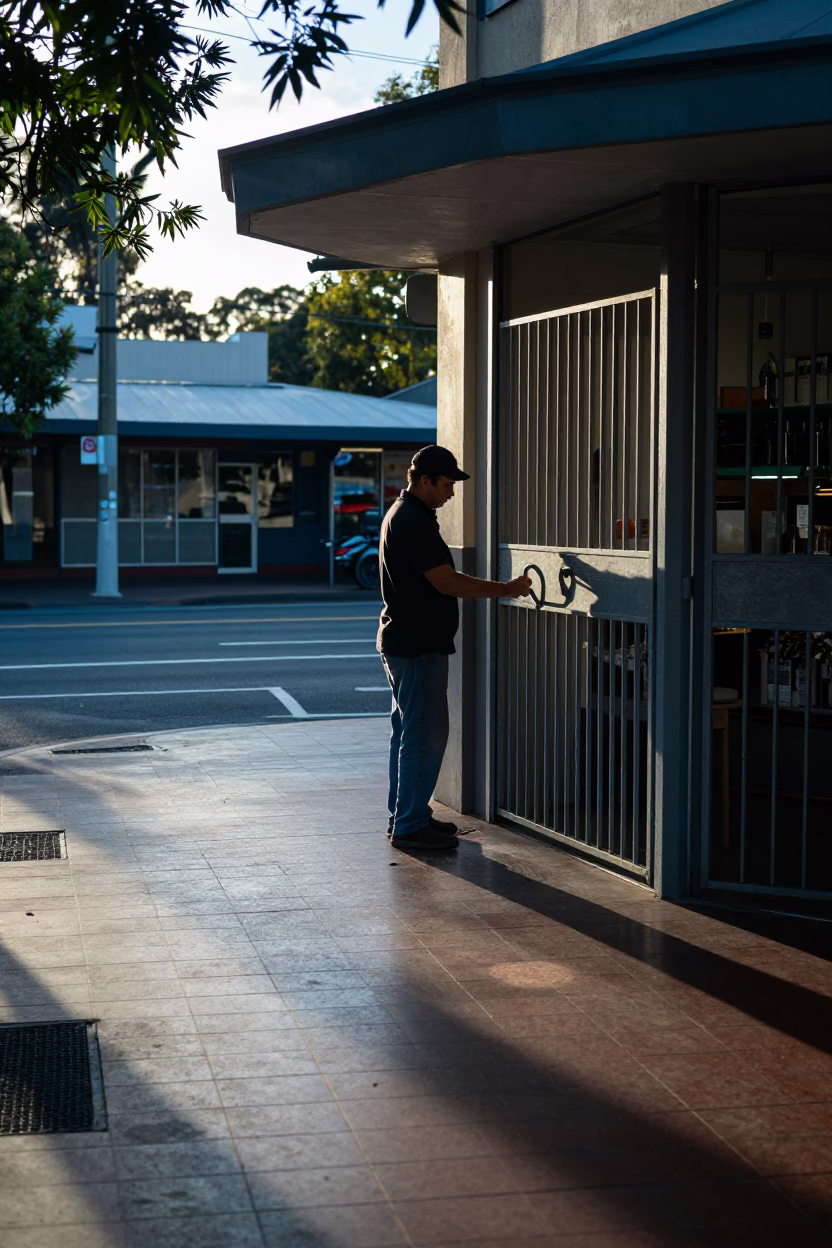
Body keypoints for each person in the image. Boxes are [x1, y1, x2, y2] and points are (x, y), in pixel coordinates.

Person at [378, 444, 533, 851]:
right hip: (418, 645)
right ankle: (410, 825)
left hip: (406, 642)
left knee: (408, 733)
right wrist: (504, 589)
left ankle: (407, 814)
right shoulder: (413, 521)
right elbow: (446, 581)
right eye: (446, 484)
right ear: (424, 481)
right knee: (424, 735)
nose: (451, 492)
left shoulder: (404, 514)